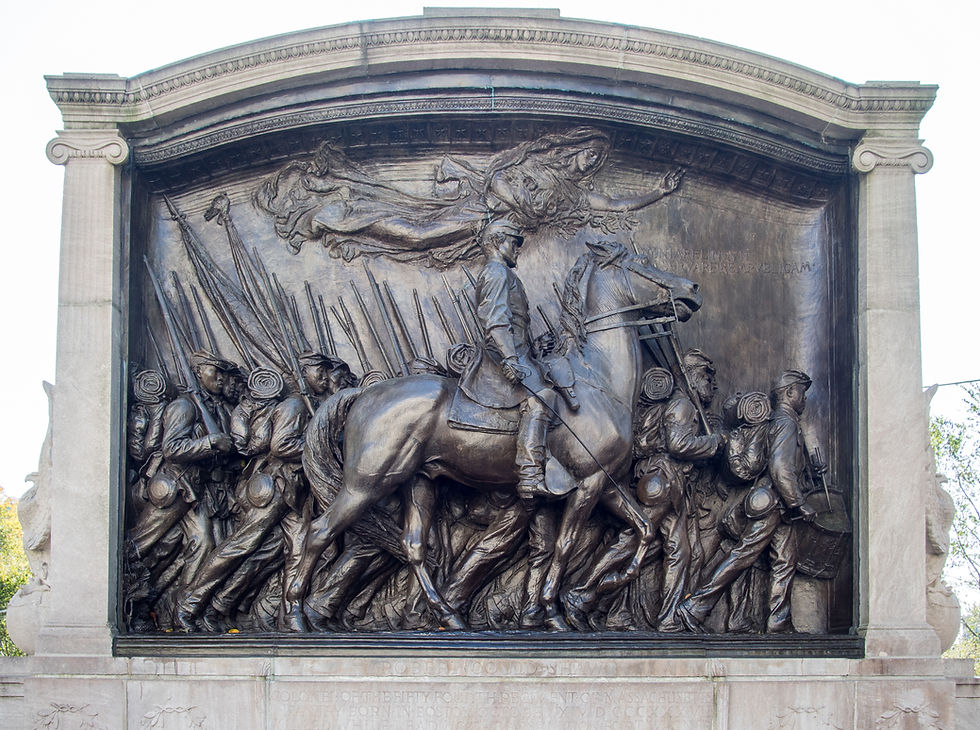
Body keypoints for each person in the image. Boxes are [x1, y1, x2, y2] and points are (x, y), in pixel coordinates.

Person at [564, 353, 724, 631]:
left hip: (669, 483)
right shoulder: (683, 405)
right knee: (634, 540)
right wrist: (714, 443)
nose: (712, 385)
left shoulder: (682, 405)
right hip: (662, 481)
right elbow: (678, 445)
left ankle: (666, 618)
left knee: (679, 550)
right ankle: (580, 594)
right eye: (708, 377)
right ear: (693, 376)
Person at [678, 369, 820, 633]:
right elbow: (780, 468)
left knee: (784, 562)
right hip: (775, 504)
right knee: (743, 556)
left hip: (779, 507)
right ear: (789, 392)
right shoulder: (785, 423)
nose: (804, 399)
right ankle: (695, 606)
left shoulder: (780, 422)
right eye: (802, 392)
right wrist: (798, 502)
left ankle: (778, 622)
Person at [459, 219, 563, 501]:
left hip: (516, 354)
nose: (517, 249)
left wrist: (532, 348)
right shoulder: (495, 272)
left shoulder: (503, 273)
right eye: (513, 242)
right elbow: (496, 323)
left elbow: (515, 326)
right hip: (499, 360)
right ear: (496, 241)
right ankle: (530, 475)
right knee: (541, 398)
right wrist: (510, 359)